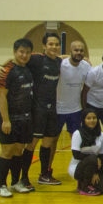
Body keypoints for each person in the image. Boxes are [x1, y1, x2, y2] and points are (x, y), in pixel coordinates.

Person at [18, 32, 62, 190]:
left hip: (52, 108)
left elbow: (66, 56)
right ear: (44, 46)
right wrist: (1, 66)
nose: (54, 47)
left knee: (48, 142)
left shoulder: (58, 61)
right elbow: (16, 61)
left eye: (57, 44)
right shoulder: (36, 59)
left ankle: (44, 175)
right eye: (51, 44)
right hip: (37, 109)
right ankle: (23, 177)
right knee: (32, 144)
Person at [0, 38, 34, 197]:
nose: (24, 55)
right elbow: (2, 97)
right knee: (7, 151)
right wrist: (6, 120)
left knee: (19, 150)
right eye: (21, 52)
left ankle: (15, 182)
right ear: (14, 52)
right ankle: (1, 185)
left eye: (27, 52)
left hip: (24, 119)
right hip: (9, 119)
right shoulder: (6, 71)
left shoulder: (28, 67)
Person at [56, 40, 91, 143]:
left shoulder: (86, 66)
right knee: (53, 140)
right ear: (70, 51)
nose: (79, 52)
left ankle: (76, 159)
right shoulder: (61, 63)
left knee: (76, 140)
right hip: (58, 110)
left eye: (81, 50)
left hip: (76, 110)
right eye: (76, 50)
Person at [68, 110, 103, 196]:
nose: (92, 120)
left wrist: (96, 172)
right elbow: (76, 154)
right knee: (92, 157)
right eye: (88, 118)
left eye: (94, 118)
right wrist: (94, 159)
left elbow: (101, 155)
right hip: (77, 168)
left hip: (93, 166)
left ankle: (85, 182)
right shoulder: (78, 133)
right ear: (83, 120)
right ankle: (84, 187)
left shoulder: (101, 135)